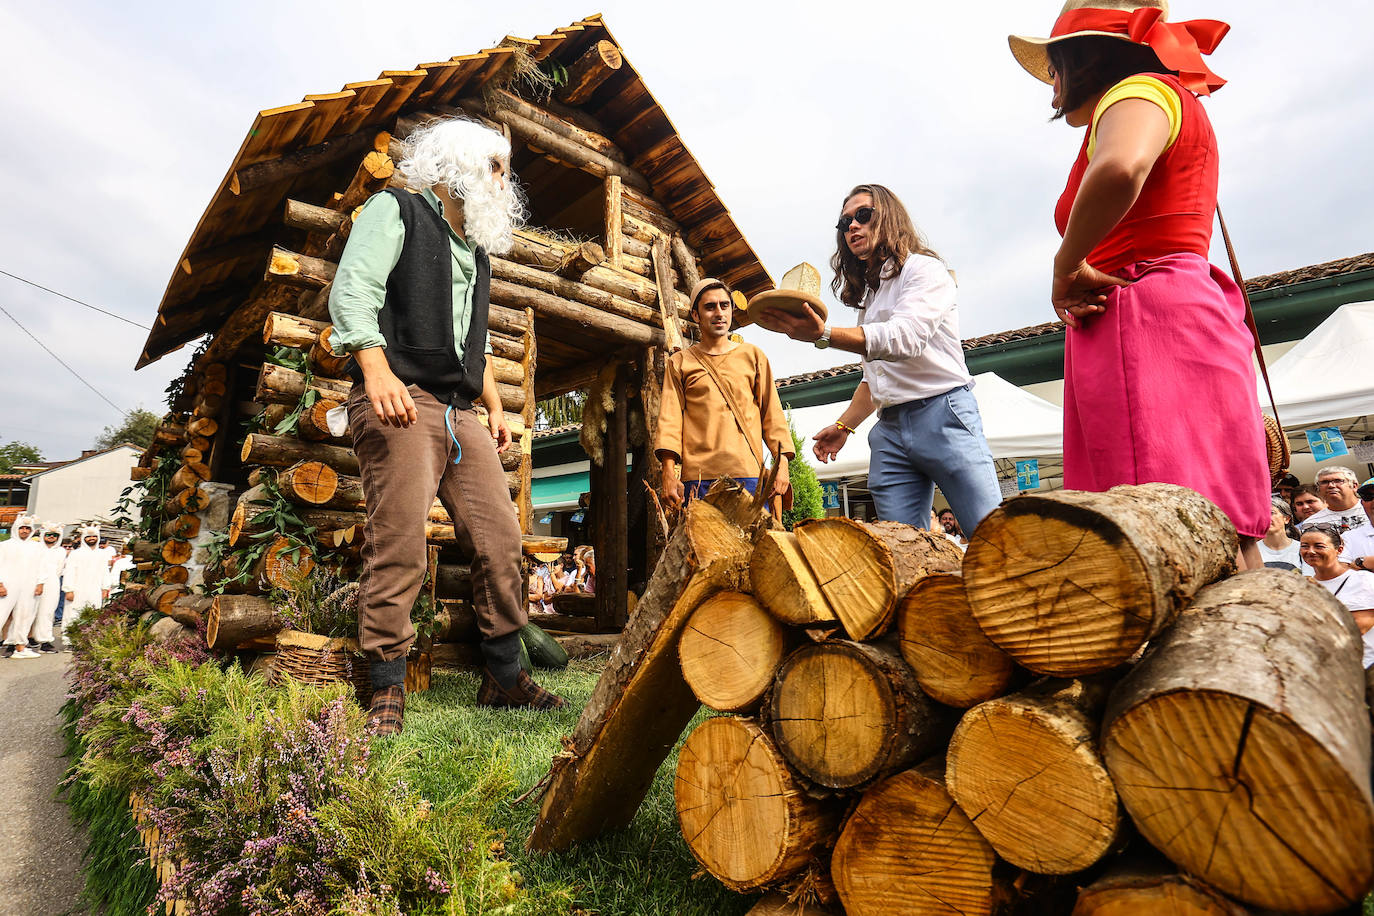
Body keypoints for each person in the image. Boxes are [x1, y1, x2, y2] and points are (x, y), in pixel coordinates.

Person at [1009, 1, 1269, 568]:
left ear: (1088, 54)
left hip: (1142, 319)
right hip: (1184, 306)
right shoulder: (1166, 95)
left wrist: (1066, 264)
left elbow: (1120, 168)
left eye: (1054, 67)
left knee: (1154, 520)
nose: (1050, 86)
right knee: (1216, 515)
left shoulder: (1136, 93)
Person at [328, 116, 565, 731]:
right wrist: (376, 374)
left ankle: (503, 675)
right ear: (461, 163)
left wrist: (494, 403)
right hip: (400, 398)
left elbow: (470, 342)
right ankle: (384, 682)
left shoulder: (477, 251)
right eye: (495, 168)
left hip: (462, 413)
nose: (502, 182)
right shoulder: (396, 210)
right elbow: (352, 290)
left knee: (501, 543)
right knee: (400, 541)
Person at [764, 184, 1001, 532]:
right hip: (889, 430)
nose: (852, 227)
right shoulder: (870, 297)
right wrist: (845, 426)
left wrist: (824, 335)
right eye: (844, 224)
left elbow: (904, 339)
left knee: (990, 534)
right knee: (900, 549)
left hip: (943, 412)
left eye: (863, 215)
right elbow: (874, 378)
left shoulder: (925, 271)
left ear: (888, 217)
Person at [655, 278, 793, 509]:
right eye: (710, 307)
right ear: (696, 315)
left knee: (754, 544)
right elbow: (670, 421)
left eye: (724, 305)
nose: (719, 313)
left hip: (749, 476)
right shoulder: (679, 363)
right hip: (699, 480)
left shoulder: (753, 356)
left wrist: (783, 463)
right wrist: (668, 474)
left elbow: (773, 414)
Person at [1299, 525, 1374, 668]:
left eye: (1319, 546)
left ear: (1339, 550)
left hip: (1361, 668)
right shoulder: (1304, 586)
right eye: (1305, 546)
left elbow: (1357, 628)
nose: (1311, 551)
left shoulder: (1363, 581)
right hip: (1319, 668)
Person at [0, 516, 46, 659]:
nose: (25, 531)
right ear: (16, 528)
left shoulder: (37, 546)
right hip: (8, 584)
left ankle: (19, 646)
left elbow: (42, 566)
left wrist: (40, 583)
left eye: (28, 528)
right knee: (2, 613)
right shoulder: (5, 545)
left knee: (25, 615)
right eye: (22, 528)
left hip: (29, 585)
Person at [63, 525, 111, 626]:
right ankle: (69, 639)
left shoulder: (102, 554)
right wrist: (68, 590)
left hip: (95, 590)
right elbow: (69, 572)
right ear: (84, 538)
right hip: (77, 590)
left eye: (94, 536)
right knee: (73, 613)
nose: (92, 538)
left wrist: (105, 588)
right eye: (88, 536)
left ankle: (88, 639)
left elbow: (105, 572)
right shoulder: (75, 554)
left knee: (93, 614)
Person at [1299, 467, 1368, 534]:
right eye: (1324, 482)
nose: (1331, 485)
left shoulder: (1370, 509)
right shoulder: (1312, 523)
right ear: (1318, 489)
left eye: (1338, 481)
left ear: (1354, 486)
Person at [32, 522, 66, 652]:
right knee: (27, 612)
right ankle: (18, 643)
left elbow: (59, 569)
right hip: (32, 582)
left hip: (52, 583)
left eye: (55, 535)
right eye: (48, 534)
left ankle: (45, 641)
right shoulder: (36, 548)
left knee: (47, 612)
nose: (51, 537)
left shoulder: (61, 551)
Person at [1258, 497, 1308, 574]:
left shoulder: (1302, 549)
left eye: (1271, 513)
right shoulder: (1253, 550)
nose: (1266, 517)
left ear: (1287, 519)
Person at [1339, 479, 1374, 571]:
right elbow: (1341, 571)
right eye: (1368, 496)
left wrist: (1361, 562)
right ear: (1362, 503)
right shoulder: (1348, 538)